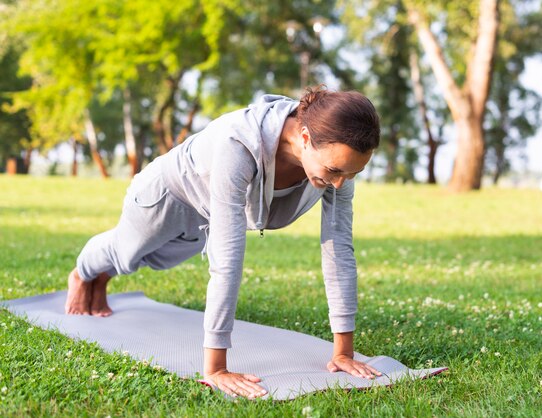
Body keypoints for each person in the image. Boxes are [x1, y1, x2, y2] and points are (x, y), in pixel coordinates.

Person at [65, 86, 382, 399]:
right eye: (334, 170)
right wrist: (216, 367)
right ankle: (83, 273)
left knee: (155, 261)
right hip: (167, 194)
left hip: (205, 211)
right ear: (304, 139)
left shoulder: (338, 167)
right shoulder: (240, 142)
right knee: (126, 253)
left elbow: (338, 250)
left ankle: (103, 274)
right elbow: (227, 259)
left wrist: (343, 352)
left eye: (354, 172)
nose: (341, 183)